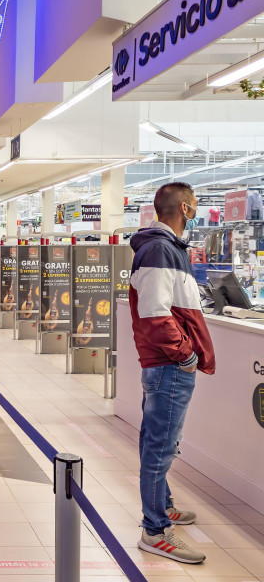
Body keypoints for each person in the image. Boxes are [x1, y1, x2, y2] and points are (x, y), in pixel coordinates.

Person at [129, 182, 215, 564]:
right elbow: (153, 312)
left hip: (165, 364)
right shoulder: (161, 249)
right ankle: (155, 530)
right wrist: (184, 356)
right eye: (195, 205)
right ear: (184, 206)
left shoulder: (168, 249)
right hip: (168, 365)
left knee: (159, 439)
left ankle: (162, 504)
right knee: (160, 445)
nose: (196, 210)